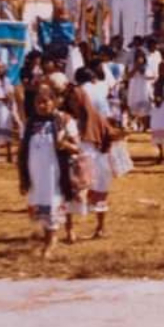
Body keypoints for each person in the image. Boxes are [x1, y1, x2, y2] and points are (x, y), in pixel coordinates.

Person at [18, 82, 78, 259]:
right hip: (37, 175)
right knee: (41, 205)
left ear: (54, 102)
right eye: (38, 102)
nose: (42, 106)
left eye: (45, 101)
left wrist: (65, 144)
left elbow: (77, 148)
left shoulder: (64, 121)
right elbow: (22, 152)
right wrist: (22, 178)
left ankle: (51, 242)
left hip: (56, 173)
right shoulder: (29, 124)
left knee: (54, 203)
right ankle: (49, 236)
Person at [61, 73, 114, 241]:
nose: (73, 103)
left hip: (97, 160)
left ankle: (101, 227)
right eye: (70, 100)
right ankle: (70, 230)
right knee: (70, 193)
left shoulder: (96, 118)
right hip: (73, 160)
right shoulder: (65, 119)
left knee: (98, 192)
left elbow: (109, 136)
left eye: (76, 100)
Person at [126, 49, 152, 129]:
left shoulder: (148, 66)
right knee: (134, 108)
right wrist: (135, 67)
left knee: (144, 108)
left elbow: (150, 76)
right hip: (135, 88)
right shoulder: (131, 65)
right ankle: (136, 124)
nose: (139, 58)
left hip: (143, 88)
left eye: (141, 56)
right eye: (138, 56)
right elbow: (128, 76)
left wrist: (141, 70)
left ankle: (145, 126)